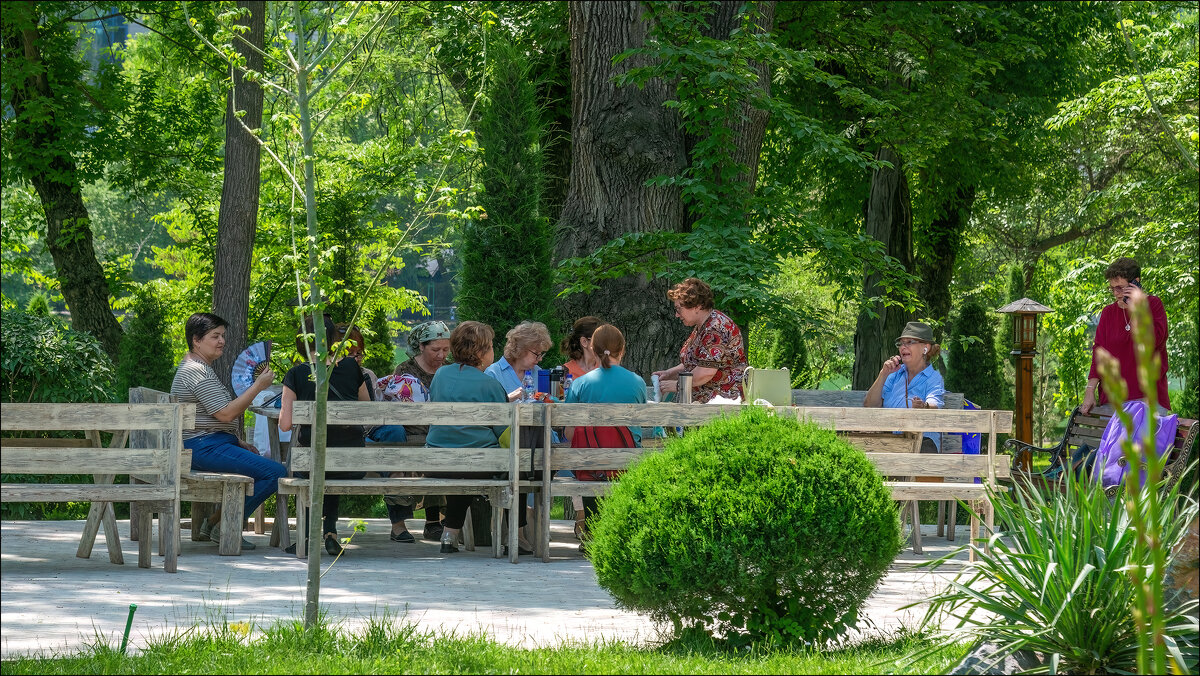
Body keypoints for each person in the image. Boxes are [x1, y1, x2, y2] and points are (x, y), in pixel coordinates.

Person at [171, 312, 287, 550]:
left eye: (223, 335)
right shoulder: (196, 372)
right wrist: (258, 386)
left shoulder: (198, 367)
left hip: (206, 443)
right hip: (201, 447)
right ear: (196, 340)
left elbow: (211, 417)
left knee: (264, 467)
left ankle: (215, 522)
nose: (222, 341)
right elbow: (225, 414)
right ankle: (225, 525)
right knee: (275, 472)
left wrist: (236, 441)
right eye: (215, 336)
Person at [278, 314, 370, 556]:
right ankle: (330, 533)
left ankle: (308, 536)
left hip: (312, 464)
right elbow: (367, 409)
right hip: (353, 464)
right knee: (332, 459)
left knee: (316, 464)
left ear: (301, 341)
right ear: (332, 340)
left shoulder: (296, 374)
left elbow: (285, 425)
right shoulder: (352, 367)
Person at [426, 321, 515, 554]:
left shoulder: (440, 375)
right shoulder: (490, 385)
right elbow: (504, 433)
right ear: (480, 351)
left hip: (437, 462)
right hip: (478, 465)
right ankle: (514, 538)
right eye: (491, 346)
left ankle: (449, 535)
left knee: (461, 463)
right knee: (516, 467)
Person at [563, 324, 646, 550]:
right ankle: (620, 533)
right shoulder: (637, 382)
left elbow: (569, 432)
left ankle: (591, 530)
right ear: (623, 349)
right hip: (627, 462)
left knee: (590, 458)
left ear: (593, 349)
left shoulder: (580, 384)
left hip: (590, 465)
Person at [374, 320, 453, 543]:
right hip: (409, 435)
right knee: (399, 459)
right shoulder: (405, 370)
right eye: (435, 350)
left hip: (437, 434)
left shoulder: (449, 370)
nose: (441, 355)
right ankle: (398, 526)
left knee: (439, 453)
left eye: (446, 349)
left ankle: (434, 522)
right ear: (421, 346)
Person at [1082, 257, 1170, 414]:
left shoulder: (1154, 305)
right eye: (1112, 288)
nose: (1116, 293)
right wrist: (1090, 391)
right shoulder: (1108, 313)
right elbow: (1098, 354)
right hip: (1112, 400)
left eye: (1120, 288)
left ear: (1136, 283)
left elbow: (1152, 342)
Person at [653, 278, 748, 403]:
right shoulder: (703, 327)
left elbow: (705, 372)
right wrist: (669, 373)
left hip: (722, 404)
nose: (677, 314)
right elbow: (693, 363)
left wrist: (678, 385)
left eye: (679, 309)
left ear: (697, 306)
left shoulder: (716, 328)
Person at [863, 321, 946, 453]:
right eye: (901, 343)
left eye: (909, 342)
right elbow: (869, 405)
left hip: (921, 445)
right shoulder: (893, 374)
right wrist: (883, 374)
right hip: (890, 443)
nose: (903, 347)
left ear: (925, 348)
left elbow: (934, 404)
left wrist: (923, 406)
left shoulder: (934, 378)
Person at [485, 321, 553, 402]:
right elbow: (486, 406)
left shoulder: (538, 372)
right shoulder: (494, 373)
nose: (540, 359)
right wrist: (508, 398)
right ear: (521, 349)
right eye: (536, 354)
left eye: (541, 354)